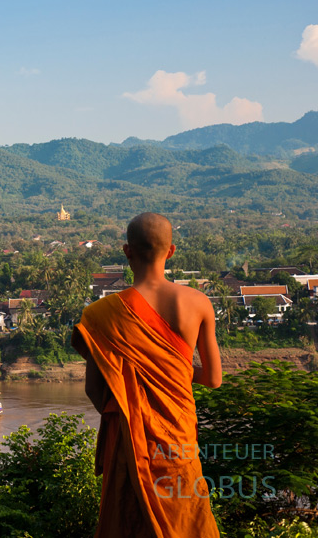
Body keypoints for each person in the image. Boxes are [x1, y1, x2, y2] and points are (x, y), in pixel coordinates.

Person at [72, 212, 222, 538]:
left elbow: (94, 390)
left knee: (127, 522)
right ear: (171, 251)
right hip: (178, 438)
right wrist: (174, 370)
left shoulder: (101, 314)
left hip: (128, 441)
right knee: (187, 520)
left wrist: (130, 419)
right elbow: (212, 378)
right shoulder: (198, 302)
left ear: (127, 251)